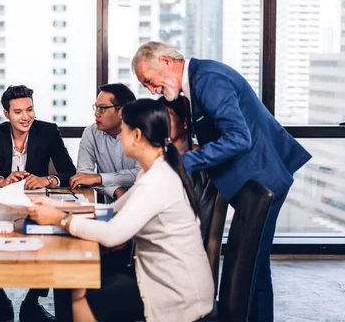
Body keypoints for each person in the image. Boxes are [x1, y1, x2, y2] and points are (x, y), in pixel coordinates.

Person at [132, 41, 312, 322]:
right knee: (255, 266)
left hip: (261, 177)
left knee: (248, 267)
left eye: (148, 81)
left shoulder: (208, 80)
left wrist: (181, 164)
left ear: (166, 61)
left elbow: (239, 138)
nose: (152, 89)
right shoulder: (194, 83)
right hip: (252, 178)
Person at [27, 99, 214, 322]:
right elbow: (113, 209)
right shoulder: (156, 169)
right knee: (77, 281)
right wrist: (60, 206)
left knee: (80, 294)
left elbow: (112, 234)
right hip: (168, 281)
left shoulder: (156, 180)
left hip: (175, 294)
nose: (119, 136)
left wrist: (61, 219)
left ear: (136, 135)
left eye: (123, 129)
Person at [0, 85, 76, 322]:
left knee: (53, 242)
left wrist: (46, 179)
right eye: (18, 112)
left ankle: (32, 301)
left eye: (30, 110)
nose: (25, 117)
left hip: (37, 204)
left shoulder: (48, 131)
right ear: (6, 114)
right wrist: (0, 180)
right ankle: (1, 301)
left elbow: (70, 171)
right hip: (2, 203)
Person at [158, 96, 217, 246]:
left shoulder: (193, 159)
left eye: (167, 117)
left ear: (185, 123)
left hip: (184, 239)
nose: (161, 124)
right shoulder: (171, 153)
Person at [70, 83, 140, 203]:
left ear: (122, 111)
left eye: (102, 108)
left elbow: (140, 173)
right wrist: (115, 189)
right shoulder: (91, 132)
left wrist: (99, 178)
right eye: (96, 107)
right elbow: (84, 175)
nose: (96, 113)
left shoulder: (142, 132)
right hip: (112, 208)